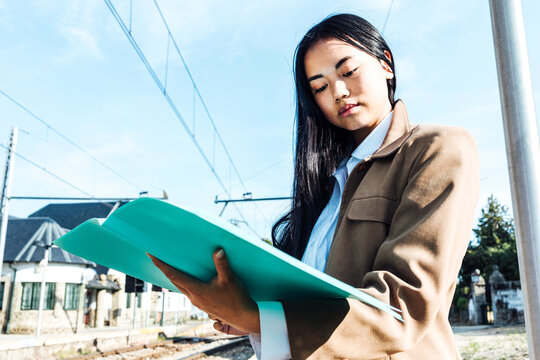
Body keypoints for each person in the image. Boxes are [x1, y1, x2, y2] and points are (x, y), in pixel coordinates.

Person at [149, 13, 479, 360]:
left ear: (386, 64)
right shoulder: (325, 183)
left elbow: (402, 308)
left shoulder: (437, 149)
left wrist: (260, 318)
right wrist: (248, 311)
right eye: (319, 86)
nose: (338, 91)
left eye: (348, 71)